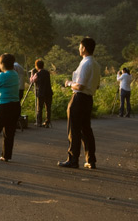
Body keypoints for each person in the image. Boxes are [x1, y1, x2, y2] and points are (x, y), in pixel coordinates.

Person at [57, 37, 100, 169]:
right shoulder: (96, 64)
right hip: (88, 99)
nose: (79, 49)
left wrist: (69, 83)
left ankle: (72, 159)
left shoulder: (85, 63)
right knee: (86, 130)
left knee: (74, 130)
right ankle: (90, 159)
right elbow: (96, 85)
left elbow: (80, 86)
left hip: (79, 98)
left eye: (80, 46)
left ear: (84, 48)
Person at [30, 59, 53, 128]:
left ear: (36, 66)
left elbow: (32, 80)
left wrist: (32, 73)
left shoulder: (37, 74)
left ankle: (39, 122)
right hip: (48, 92)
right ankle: (47, 122)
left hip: (41, 93)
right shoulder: (47, 72)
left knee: (40, 108)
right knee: (48, 108)